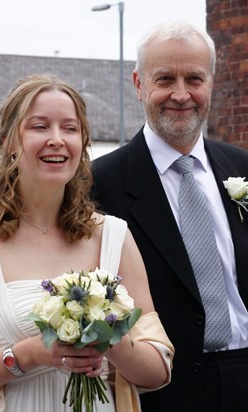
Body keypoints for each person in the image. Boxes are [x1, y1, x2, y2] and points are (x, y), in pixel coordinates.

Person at [0, 73, 174, 412]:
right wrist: (30, 354)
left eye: (70, 128)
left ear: (82, 143)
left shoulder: (114, 236)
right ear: (8, 142)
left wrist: (110, 341)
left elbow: (158, 371)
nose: (57, 139)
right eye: (39, 127)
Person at [91, 21, 248, 412]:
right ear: (139, 83)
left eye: (194, 78)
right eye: (165, 79)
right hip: (162, 391)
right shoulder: (97, 185)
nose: (181, 94)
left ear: (211, 82)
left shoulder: (241, 167)